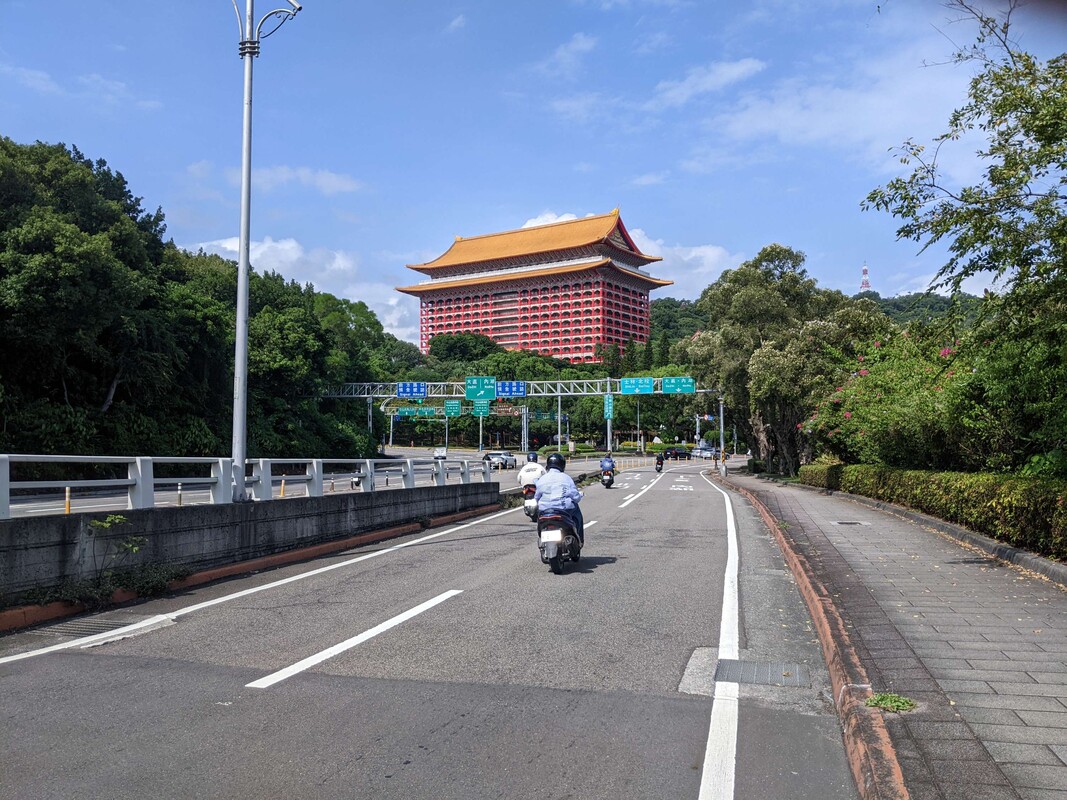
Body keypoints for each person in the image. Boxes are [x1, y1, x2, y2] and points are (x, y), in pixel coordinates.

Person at [534, 453, 585, 544]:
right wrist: (579, 495)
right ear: (562, 465)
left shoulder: (542, 479)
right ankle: (579, 540)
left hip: (544, 510)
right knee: (577, 511)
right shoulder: (566, 478)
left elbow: (536, 497)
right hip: (563, 510)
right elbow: (576, 497)